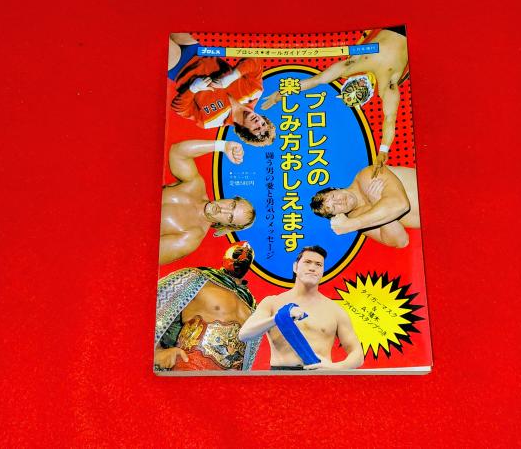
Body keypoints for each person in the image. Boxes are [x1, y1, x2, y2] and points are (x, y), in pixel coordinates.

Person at [261, 26, 408, 174]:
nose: (358, 87)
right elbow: (389, 118)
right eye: (358, 94)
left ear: (349, 83)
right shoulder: (387, 86)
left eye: (351, 88)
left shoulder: (350, 67)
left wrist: (280, 94)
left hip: (389, 25)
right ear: (364, 99)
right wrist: (383, 150)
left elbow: (316, 80)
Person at [238, 246, 364, 370]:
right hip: (281, 377)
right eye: (307, 262)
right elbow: (245, 334)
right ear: (295, 267)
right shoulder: (272, 303)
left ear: (322, 271)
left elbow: (357, 354)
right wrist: (279, 318)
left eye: (318, 264)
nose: (312, 268)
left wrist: (336, 367)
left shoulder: (335, 310)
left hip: (320, 376)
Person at [154, 242, 261, 372]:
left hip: (229, 381)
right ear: (225, 256)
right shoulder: (197, 278)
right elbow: (151, 301)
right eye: (237, 254)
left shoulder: (252, 305)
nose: (242, 258)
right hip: (190, 370)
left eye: (247, 257)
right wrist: (156, 352)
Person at [168, 33, 275, 147]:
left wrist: (193, 89)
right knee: (173, 27)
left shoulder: (210, 121)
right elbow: (255, 61)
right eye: (263, 123)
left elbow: (179, 108)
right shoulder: (255, 91)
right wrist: (233, 76)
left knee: (163, 40)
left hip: (178, 67)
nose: (258, 122)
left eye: (256, 128)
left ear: (245, 132)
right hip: (199, 49)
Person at [160, 139, 255, 265]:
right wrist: (223, 146)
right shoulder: (195, 186)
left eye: (230, 217)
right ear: (230, 199)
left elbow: (147, 254)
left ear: (226, 225)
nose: (223, 210)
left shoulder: (190, 237)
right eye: (232, 205)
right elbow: (177, 152)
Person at [309, 165, 419, 248]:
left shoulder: (366, 175)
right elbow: (401, 241)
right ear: (336, 215)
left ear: (336, 188)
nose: (339, 201)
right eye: (334, 207)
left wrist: (352, 224)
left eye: (333, 196)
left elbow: (401, 204)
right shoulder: (357, 218)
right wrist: (376, 203)